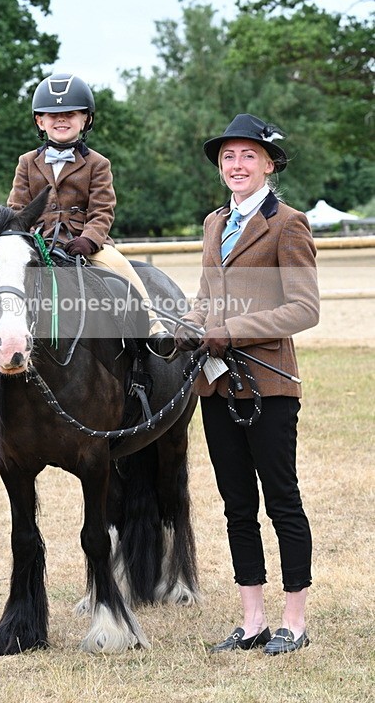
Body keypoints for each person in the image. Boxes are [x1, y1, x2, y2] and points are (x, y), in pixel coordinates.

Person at [174, 113, 319, 655]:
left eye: (248, 156)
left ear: (270, 164)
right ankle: (252, 618)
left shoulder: (288, 224)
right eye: (228, 157)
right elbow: (207, 294)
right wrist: (188, 325)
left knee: (282, 501)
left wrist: (230, 331)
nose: (236, 165)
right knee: (237, 504)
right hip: (216, 386)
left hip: (270, 385)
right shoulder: (214, 223)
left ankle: (294, 620)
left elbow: (304, 309)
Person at [0, 73, 174, 380]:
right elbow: (18, 208)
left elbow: (103, 210)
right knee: (0, 282)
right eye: (53, 116)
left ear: (85, 120)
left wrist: (89, 240)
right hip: (37, 242)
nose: (61, 120)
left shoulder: (98, 164)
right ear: (40, 121)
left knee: (120, 267)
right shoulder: (26, 162)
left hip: (85, 245)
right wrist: (21, 237)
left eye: (69, 115)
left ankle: (154, 328)